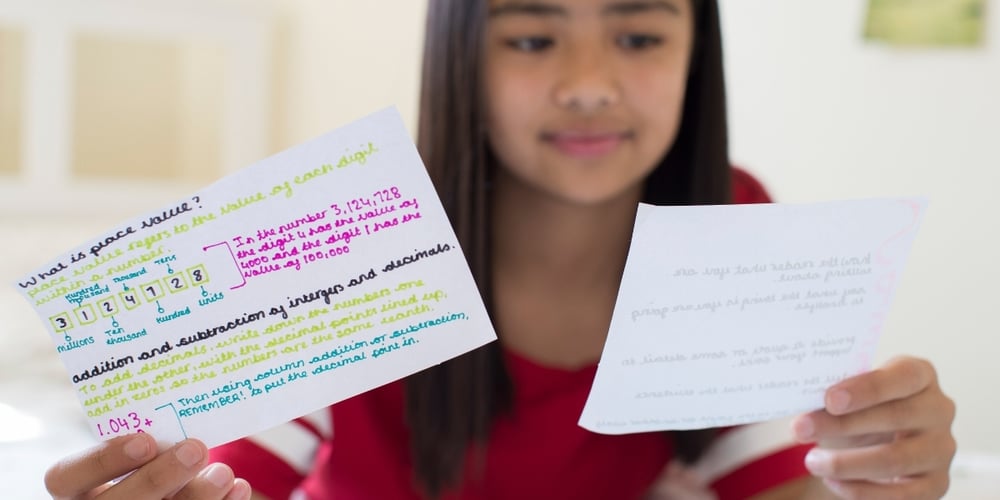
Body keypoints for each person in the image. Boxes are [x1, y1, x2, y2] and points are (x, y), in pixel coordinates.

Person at [43, 0, 957, 499]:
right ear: (460, 54)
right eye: (532, 36)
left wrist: (882, 479)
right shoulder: (352, 239)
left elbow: (777, 482)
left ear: (695, 52)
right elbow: (222, 476)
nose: (591, 86)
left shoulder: (732, 216)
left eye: (638, 35)